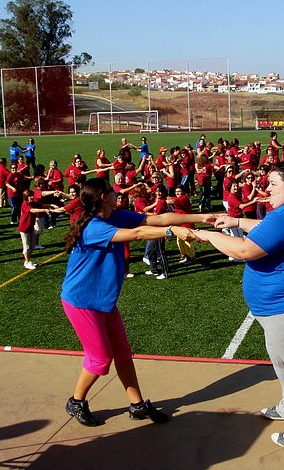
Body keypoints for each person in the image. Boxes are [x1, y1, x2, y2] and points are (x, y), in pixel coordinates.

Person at [195, 161, 284, 448]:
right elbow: (270, 228)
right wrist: (235, 222)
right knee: (280, 356)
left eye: (272, 184)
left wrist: (209, 236)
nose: (266, 189)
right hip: (283, 303)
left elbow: (245, 250)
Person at [61, 177, 214, 427]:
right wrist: (172, 232)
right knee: (100, 359)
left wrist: (201, 217)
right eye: (112, 190)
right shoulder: (94, 226)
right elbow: (139, 233)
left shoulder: (116, 215)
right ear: (103, 197)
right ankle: (76, 401)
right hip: (82, 302)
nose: (116, 193)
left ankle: (137, 405)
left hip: (104, 301)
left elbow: (159, 218)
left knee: (122, 354)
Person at [19, 189, 53, 269]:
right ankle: (27, 262)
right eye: (29, 196)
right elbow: (33, 210)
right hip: (24, 228)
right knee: (27, 246)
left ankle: (28, 261)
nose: (31, 197)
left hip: (30, 227)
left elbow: (41, 205)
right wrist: (45, 210)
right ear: (25, 197)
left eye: (32, 196)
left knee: (31, 246)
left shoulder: (32, 203)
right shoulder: (25, 204)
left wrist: (51, 205)